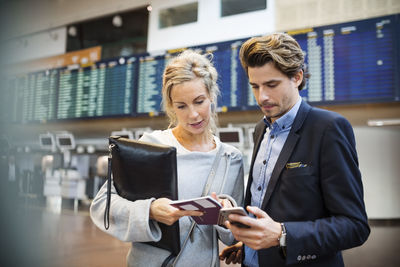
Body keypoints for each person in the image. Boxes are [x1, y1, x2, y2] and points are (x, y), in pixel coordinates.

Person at [219, 33, 370, 266]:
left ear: (297, 77)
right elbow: (267, 204)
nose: (262, 97)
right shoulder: (261, 129)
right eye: (255, 86)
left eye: (271, 84)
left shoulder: (328, 128)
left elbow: (354, 226)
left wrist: (282, 235)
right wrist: (249, 243)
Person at [90, 50, 244, 267]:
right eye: (181, 106)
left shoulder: (230, 158)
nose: (193, 115)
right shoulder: (151, 146)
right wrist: (150, 211)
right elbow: (102, 206)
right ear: (171, 106)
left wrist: (226, 216)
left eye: (199, 101)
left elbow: (232, 237)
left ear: (211, 96)